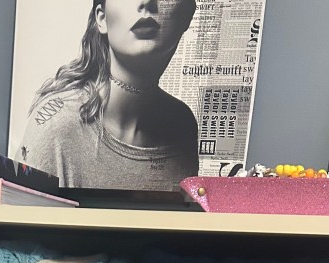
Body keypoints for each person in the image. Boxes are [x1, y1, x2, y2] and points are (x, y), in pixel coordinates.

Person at [16, 0, 198, 190]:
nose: (147, 2)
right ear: (101, 19)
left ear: (186, 16)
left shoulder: (182, 125)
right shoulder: (57, 126)